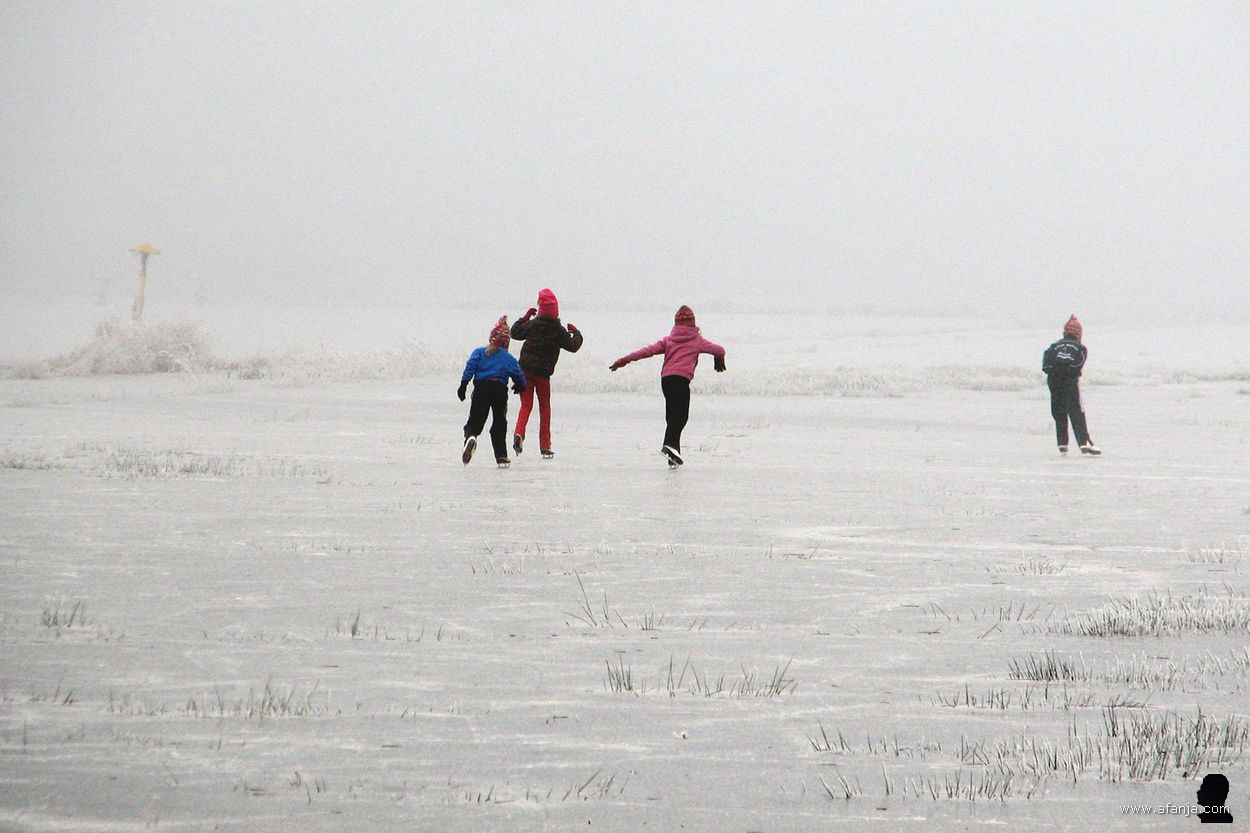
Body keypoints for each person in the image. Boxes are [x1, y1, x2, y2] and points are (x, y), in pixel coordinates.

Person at [609, 305, 726, 467]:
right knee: (681, 417)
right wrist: (719, 360)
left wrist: (623, 360)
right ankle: (668, 446)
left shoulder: (669, 340)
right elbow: (720, 350)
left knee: (671, 418)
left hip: (666, 381)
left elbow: (646, 351)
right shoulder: (697, 341)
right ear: (692, 323)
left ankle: (673, 457)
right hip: (681, 381)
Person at [509, 288, 583, 459]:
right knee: (545, 408)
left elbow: (515, 333)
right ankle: (545, 445)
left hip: (525, 371)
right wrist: (577, 332)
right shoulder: (558, 330)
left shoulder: (533, 324)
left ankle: (519, 433)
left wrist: (525, 317)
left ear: (540, 309)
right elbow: (573, 346)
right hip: (543, 375)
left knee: (526, 405)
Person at [458, 316, 526, 467]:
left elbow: (470, 367)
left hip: (481, 389)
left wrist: (463, 385)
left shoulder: (479, 352)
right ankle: (501, 455)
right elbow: (519, 375)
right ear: (507, 342)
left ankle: (471, 437)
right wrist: (520, 385)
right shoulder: (508, 358)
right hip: (499, 391)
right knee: (499, 423)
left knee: (475, 420)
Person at [1042, 314, 1100, 456]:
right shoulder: (1080, 348)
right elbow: (1078, 364)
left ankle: (1062, 443)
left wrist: (1054, 370)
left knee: (1058, 410)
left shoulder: (1054, 347)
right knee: (1076, 410)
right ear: (1078, 334)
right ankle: (1084, 442)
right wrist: (1069, 371)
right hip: (1069, 381)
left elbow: (1046, 363)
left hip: (1054, 379)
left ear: (1064, 333)